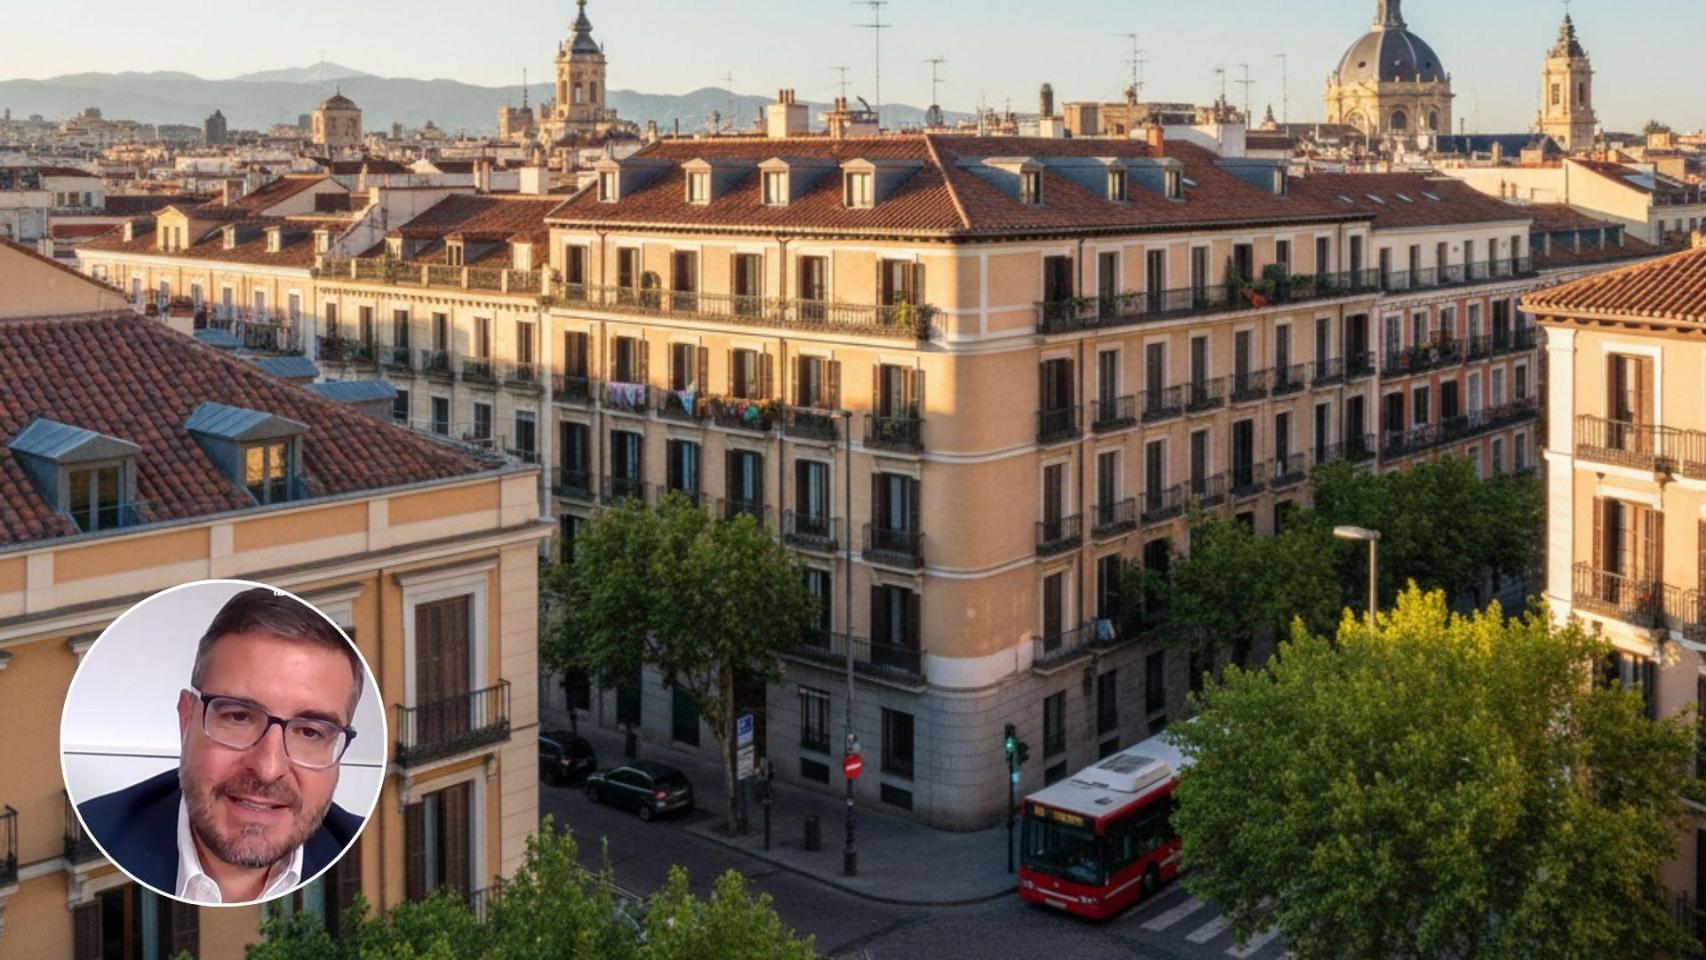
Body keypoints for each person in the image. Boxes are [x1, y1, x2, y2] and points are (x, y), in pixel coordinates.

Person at [78, 587, 366, 905]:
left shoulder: (352, 844)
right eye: (239, 717)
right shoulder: (99, 831)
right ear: (186, 719)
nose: (268, 769)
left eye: (310, 733)